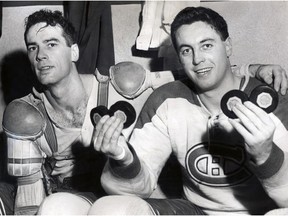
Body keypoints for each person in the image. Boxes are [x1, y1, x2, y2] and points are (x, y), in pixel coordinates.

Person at [1, 8, 287, 216]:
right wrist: (122, 156)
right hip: (167, 205)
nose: (41, 56)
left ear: (74, 51)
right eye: (32, 48)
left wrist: (254, 71)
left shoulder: (123, 85)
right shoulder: (26, 115)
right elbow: (29, 197)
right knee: (58, 207)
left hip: (263, 207)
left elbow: (201, 73)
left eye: (51, 44)